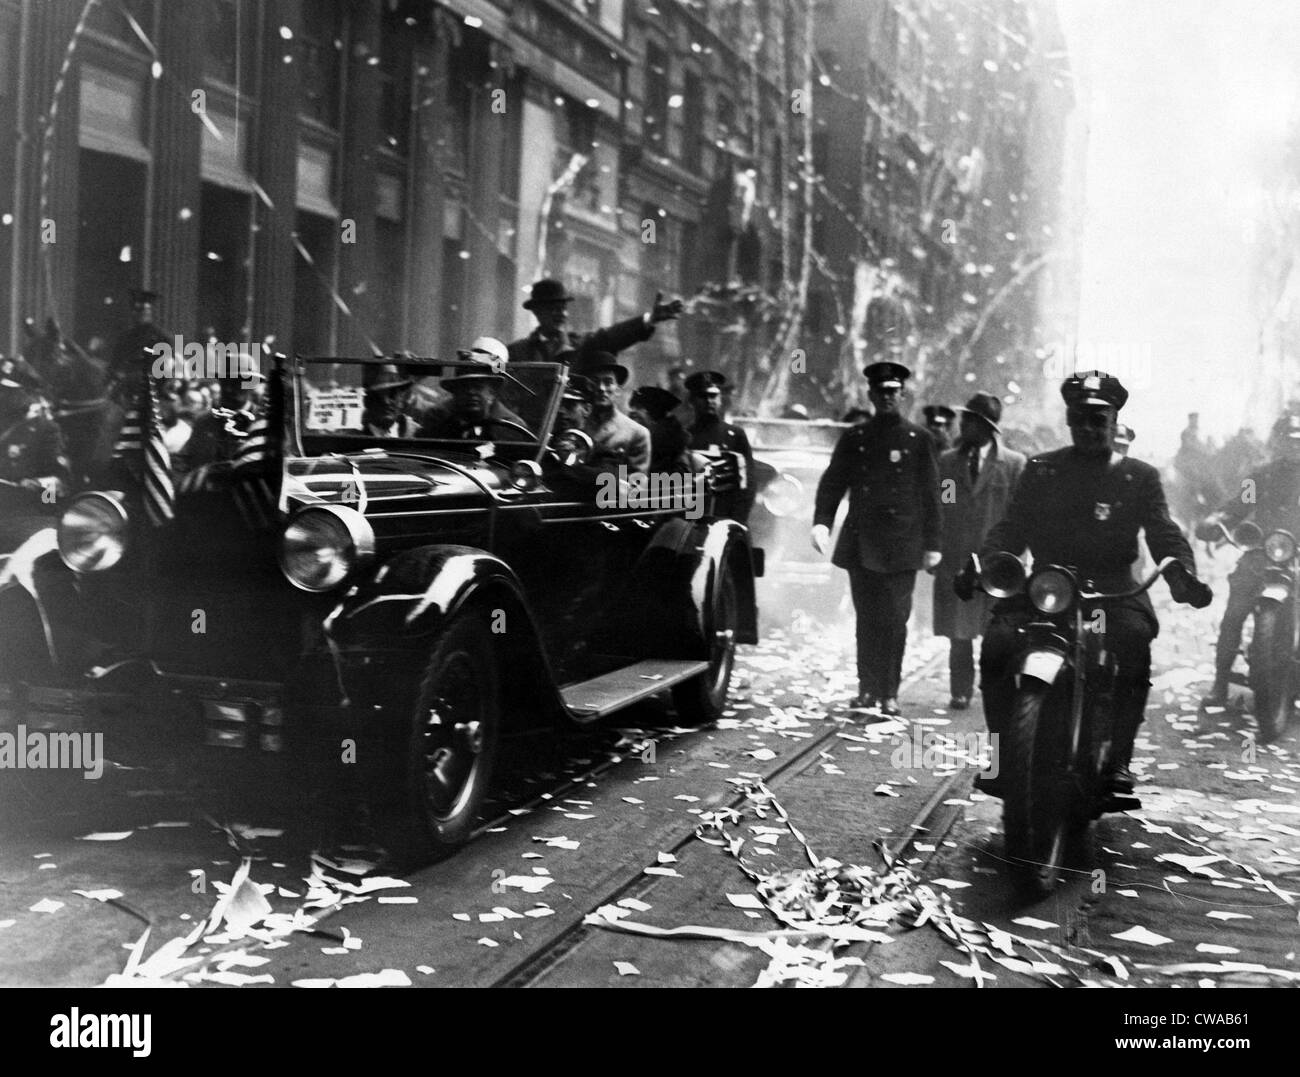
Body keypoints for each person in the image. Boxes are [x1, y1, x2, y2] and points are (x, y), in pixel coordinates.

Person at [966, 372, 1212, 795]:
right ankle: (1004, 755)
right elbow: (1012, 527)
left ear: (1115, 422)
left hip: (1110, 592)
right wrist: (987, 564)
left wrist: (1180, 572)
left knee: (1132, 641)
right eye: (1081, 419)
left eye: (1100, 420)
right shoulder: (1041, 469)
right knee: (998, 644)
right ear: (1069, 420)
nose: (1090, 428)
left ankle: (1118, 759)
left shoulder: (1139, 476)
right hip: (1047, 590)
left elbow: (1162, 532)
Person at [812, 361, 942, 717]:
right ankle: (867, 689)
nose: (887, 397)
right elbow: (833, 482)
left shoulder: (919, 439)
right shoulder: (856, 438)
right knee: (866, 618)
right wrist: (821, 522)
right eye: (880, 392)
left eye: (893, 392)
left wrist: (933, 544)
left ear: (903, 394)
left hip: (902, 545)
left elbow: (932, 494)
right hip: (861, 543)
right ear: (870, 394)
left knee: (895, 620)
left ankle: (889, 692)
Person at [1195, 412, 1300, 707]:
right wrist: (1217, 519)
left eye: (1298, 441)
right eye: (1287, 440)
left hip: (1299, 554)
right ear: (1277, 442)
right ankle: (1220, 683)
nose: (1293, 446)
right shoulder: (1261, 475)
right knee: (1234, 615)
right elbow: (1238, 505)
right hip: (1262, 554)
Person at [933, 392, 1026, 710]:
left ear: (987, 427)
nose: (964, 426)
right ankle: (960, 690)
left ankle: (994, 688)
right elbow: (943, 504)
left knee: (995, 631)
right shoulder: (948, 461)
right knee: (958, 633)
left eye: (970, 421)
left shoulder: (1014, 464)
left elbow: (1019, 515)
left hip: (997, 561)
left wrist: (1018, 560)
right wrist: (937, 549)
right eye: (964, 420)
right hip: (957, 557)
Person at [506, 279, 683, 364]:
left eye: (563, 308)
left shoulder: (580, 345)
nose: (561, 314)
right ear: (537, 311)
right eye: (554, 308)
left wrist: (650, 319)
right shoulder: (517, 353)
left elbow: (612, 337)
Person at [0, 379, 69, 550]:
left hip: (23, 511)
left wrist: (42, 494)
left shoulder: (45, 430)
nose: (3, 396)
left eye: (10, 391)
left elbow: (56, 480)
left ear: (26, 394)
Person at [684, 370, 755, 523]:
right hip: (691, 517)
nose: (710, 401)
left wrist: (737, 521)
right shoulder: (684, 436)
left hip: (727, 519)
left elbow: (748, 484)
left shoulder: (735, 435)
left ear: (720, 399)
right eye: (703, 396)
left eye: (713, 395)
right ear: (691, 401)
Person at [571, 351, 650, 474]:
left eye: (608, 382)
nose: (601, 388)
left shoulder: (637, 433)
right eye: (595, 382)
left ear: (618, 390)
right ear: (588, 387)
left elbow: (635, 485)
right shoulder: (575, 425)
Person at [417, 361, 529, 442]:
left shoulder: (512, 428)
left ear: (492, 393)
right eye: (464, 387)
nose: (471, 392)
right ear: (455, 394)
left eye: (478, 387)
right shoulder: (438, 421)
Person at [108, 288, 169, 391]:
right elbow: (115, 364)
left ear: (149, 312)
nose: (137, 314)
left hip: (151, 392)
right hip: (124, 391)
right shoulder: (124, 337)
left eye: (142, 310)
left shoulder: (162, 338)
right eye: (135, 310)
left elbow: (164, 372)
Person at [628, 385, 690, 473]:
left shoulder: (672, 448)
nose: (632, 412)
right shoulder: (631, 440)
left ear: (655, 414)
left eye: (639, 407)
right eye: (632, 407)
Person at [358, 364, 419, 438]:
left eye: (392, 395)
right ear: (367, 402)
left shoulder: (415, 434)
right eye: (379, 397)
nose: (386, 402)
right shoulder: (355, 439)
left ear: (401, 401)